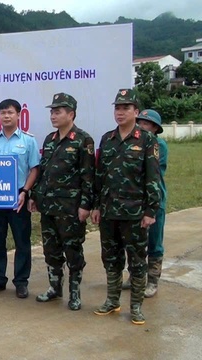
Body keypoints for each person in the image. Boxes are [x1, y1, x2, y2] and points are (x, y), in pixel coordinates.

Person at [91, 89, 160, 325]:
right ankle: (112, 300)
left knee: (137, 260)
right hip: (109, 211)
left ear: (136, 112)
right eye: (117, 108)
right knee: (111, 258)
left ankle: (137, 307)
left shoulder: (147, 139)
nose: (120, 112)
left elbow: (153, 177)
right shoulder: (107, 139)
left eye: (126, 108)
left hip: (135, 213)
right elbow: (100, 176)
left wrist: (151, 210)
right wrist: (97, 206)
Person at [29, 93, 95, 310]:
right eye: (52, 111)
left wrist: (86, 205)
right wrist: (34, 196)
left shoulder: (83, 140)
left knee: (73, 250)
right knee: (51, 250)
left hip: (70, 208)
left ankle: (74, 294)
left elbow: (88, 176)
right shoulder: (50, 139)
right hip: (48, 206)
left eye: (58, 111)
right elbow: (43, 171)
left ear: (71, 114)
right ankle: (54, 288)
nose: (53, 115)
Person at [0, 99, 40, 299]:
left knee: (22, 241)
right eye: (2, 113)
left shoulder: (28, 140)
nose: (6, 116)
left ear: (18, 115)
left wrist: (25, 191)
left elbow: (34, 169)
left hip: (18, 197)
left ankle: (21, 282)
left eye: (10, 112)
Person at [130, 109, 167, 298]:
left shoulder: (158, 144)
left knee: (154, 240)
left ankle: (152, 280)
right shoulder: (133, 142)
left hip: (154, 201)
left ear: (154, 127)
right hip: (136, 200)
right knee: (137, 240)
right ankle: (137, 275)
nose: (141, 126)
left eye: (145, 123)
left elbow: (148, 172)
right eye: (139, 122)